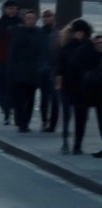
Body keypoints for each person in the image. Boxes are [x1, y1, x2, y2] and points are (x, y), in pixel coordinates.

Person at [59, 19, 93, 154]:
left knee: (81, 117)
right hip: (68, 85)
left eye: (81, 33)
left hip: (84, 87)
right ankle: (65, 141)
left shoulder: (90, 47)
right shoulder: (67, 46)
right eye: (76, 32)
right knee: (66, 115)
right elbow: (60, 65)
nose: (78, 35)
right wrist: (59, 79)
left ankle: (77, 145)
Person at [9, 10, 45, 133]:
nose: (30, 21)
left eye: (32, 19)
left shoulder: (40, 33)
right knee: (19, 99)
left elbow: (42, 52)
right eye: (28, 19)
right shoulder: (18, 32)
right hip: (19, 72)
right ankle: (20, 121)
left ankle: (26, 122)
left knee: (30, 99)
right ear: (24, 20)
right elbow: (13, 52)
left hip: (33, 73)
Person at [0, 0, 21, 125]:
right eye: (10, 8)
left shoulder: (20, 23)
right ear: (5, 10)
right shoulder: (0, 24)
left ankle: (15, 109)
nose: (12, 11)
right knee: (3, 88)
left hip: (17, 62)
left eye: (14, 9)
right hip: (3, 61)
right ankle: (6, 111)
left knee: (15, 88)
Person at [41, 10, 60, 133]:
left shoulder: (58, 34)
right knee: (44, 98)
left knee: (55, 99)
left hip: (54, 70)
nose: (47, 19)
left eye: (49, 16)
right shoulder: (40, 32)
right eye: (45, 17)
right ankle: (44, 120)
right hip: (43, 69)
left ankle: (52, 124)